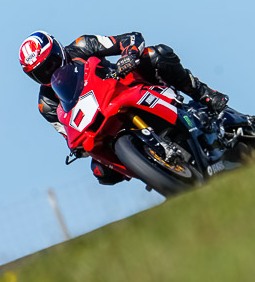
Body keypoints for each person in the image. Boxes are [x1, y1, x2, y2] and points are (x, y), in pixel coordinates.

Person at [19, 30, 229, 185]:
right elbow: (66, 132)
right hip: (99, 121)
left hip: (126, 86)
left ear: (58, 50)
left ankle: (205, 94)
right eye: (40, 73)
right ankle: (156, 170)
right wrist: (77, 149)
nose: (50, 71)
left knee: (155, 54)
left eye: (52, 63)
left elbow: (131, 39)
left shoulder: (83, 45)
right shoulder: (46, 103)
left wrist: (128, 55)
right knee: (101, 172)